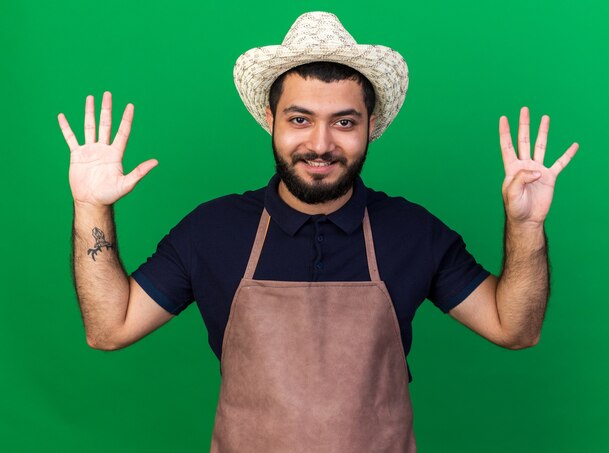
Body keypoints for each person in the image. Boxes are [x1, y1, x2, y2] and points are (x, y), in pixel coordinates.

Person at [57, 11, 578, 452]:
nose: (321, 144)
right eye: (300, 119)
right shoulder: (212, 230)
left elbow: (516, 329)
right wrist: (91, 209)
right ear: (272, 119)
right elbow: (110, 328)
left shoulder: (412, 231)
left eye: (345, 122)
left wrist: (526, 225)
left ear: (371, 126)